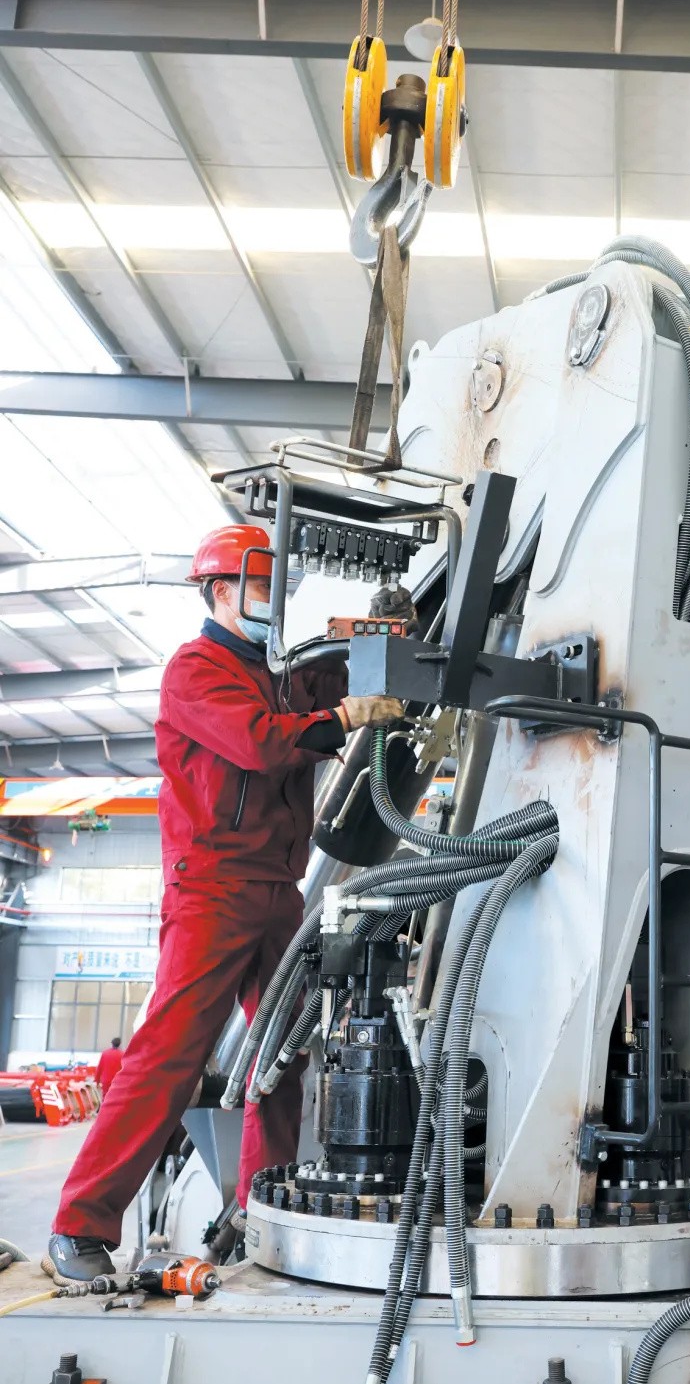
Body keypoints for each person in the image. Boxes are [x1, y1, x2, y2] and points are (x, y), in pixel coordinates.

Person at [46, 524, 403, 1282]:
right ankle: (80, 1224)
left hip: (279, 888)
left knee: (283, 1055)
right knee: (170, 1055)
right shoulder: (195, 670)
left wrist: (387, 632)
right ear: (220, 592)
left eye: (279, 587)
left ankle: (256, 1211)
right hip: (211, 888)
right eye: (262, 587)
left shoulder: (286, 672)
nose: (276, 601)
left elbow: (346, 674)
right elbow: (260, 743)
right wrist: (346, 718)